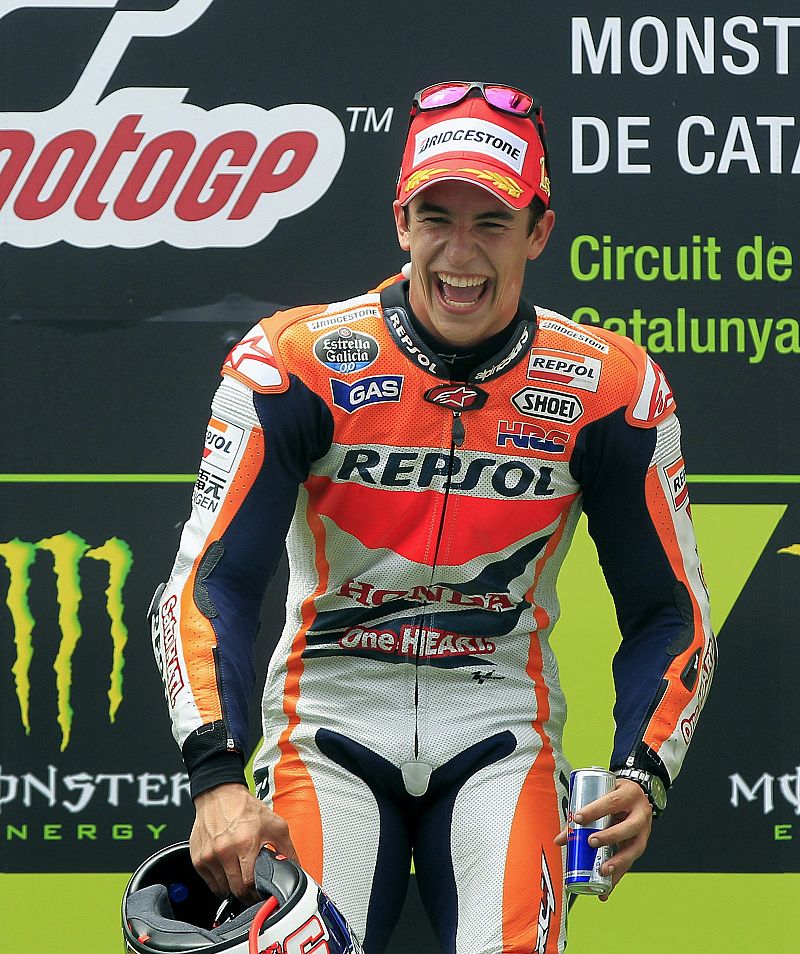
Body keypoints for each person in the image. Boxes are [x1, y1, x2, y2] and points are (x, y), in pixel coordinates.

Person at [151, 81, 716, 954]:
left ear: (538, 231)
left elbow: (672, 611)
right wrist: (217, 776)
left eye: (492, 222)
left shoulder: (612, 388)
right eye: (436, 217)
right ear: (401, 222)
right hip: (328, 716)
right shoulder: (294, 362)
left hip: (499, 724)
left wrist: (644, 771)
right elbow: (209, 582)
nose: (460, 251)